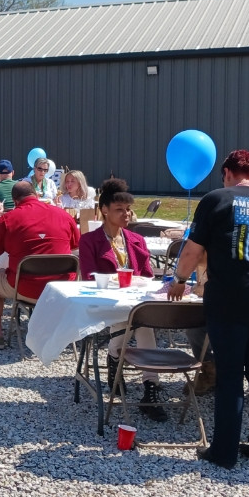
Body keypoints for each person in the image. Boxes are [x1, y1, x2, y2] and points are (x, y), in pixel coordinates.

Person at [168, 149, 249, 469]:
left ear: (226, 175)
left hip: (232, 294)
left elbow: (193, 249)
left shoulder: (216, 199)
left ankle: (224, 452)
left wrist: (179, 280)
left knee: (231, 373)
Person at [80, 178, 165, 418]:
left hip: (135, 302)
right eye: (119, 209)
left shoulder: (137, 240)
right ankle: (143, 380)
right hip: (108, 302)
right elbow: (89, 278)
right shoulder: (90, 241)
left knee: (141, 321)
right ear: (104, 210)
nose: (126, 214)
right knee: (138, 322)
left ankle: (148, 383)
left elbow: (148, 275)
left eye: (128, 209)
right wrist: (118, 281)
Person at [0, 181, 80, 349]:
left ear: (15, 201)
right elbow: (76, 248)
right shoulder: (63, 215)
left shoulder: (8, 219)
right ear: (37, 195)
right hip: (62, 288)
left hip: (25, 288)